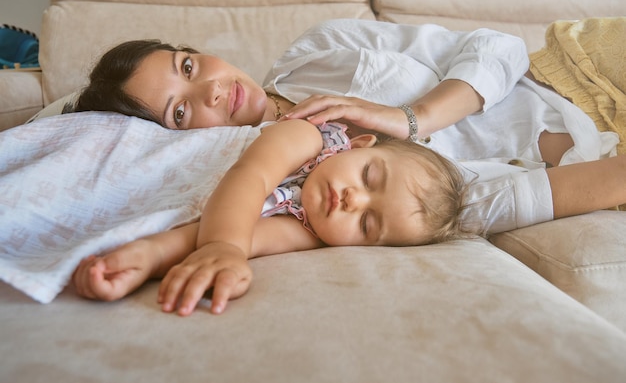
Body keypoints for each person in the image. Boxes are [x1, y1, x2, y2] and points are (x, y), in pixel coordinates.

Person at [72, 119, 626, 316]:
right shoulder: (311, 137)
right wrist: (225, 248)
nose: (352, 202)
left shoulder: (312, 233)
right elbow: (249, 179)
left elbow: (237, 238)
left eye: (368, 226)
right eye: (369, 178)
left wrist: (143, 259)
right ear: (357, 144)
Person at [71, 19, 617, 170]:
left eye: (188, 65)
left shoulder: (321, 47)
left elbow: (496, 45)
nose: (213, 87)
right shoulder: (288, 173)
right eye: (182, 110)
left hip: (577, 68)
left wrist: (412, 116)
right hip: (597, 161)